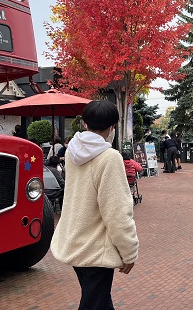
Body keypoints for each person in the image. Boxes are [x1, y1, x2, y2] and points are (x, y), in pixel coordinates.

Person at [51, 100, 138, 310]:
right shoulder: (109, 158)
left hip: (75, 240)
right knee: (95, 303)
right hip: (96, 248)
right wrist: (129, 251)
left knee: (99, 301)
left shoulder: (72, 151)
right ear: (112, 127)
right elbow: (117, 211)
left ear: (84, 124)